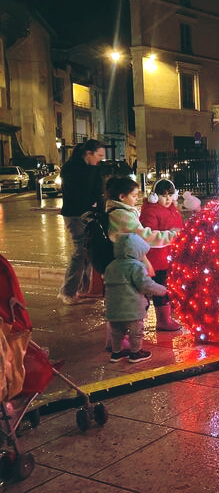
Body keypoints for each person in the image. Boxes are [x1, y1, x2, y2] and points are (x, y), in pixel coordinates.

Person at [104, 233, 167, 363]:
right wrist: (162, 290)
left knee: (116, 333)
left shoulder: (111, 266)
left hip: (113, 309)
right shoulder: (135, 266)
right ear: (137, 251)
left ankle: (117, 353)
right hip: (131, 309)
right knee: (136, 332)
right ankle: (136, 352)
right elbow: (145, 284)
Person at [57, 139, 106, 305]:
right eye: (99, 155)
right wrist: (91, 202)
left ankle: (82, 289)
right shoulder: (72, 169)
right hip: (75, 215)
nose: (100, 159)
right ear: (88, 153)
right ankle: (68, 291)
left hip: (90, 213)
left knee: (87, 251)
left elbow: (98, 192)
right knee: (81, 251)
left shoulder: (93, 168)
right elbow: (80, 194)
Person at [139, 179, 183, 331]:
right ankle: (141, 321)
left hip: (168, 257)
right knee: (155, 289)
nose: (168, 198)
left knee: (164, 289)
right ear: (155, 196)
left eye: (170, 195)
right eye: (163, 195)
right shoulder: (150, 211)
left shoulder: (173, 210)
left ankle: (164, 318)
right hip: (155, 259)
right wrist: (173, 235)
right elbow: (149, 235)